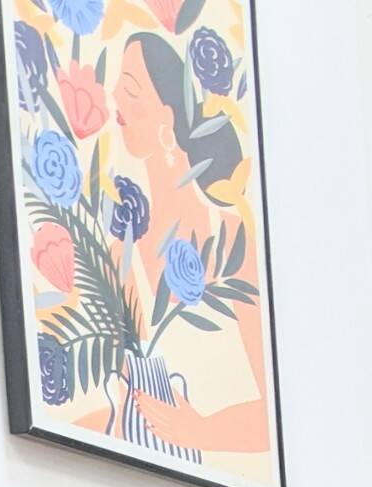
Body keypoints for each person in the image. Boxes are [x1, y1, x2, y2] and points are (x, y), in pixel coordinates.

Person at [105, 32, 272, 455]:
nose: (114, 97)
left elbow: (274, 421)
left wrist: (200, 432)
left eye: (130, 88)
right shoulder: (121, 255)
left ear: (167, 117)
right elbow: (128, 404)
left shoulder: (232, 241)